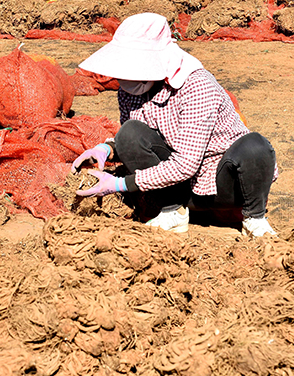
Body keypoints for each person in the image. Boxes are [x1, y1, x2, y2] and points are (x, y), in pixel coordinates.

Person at [72, 13, 278, 237]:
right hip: (178, 189)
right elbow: (139, 139)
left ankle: (254, 218)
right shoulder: (129, 90)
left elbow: (186, 164)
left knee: (255, 146)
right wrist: (107, 150)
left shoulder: (196, 86)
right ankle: (172, 211)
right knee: (128, 132)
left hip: (222, 185)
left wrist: (120, 184)